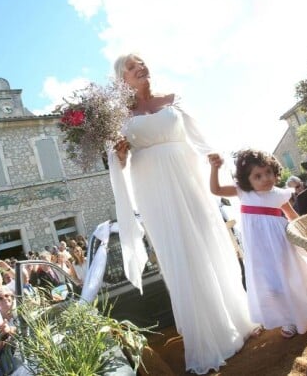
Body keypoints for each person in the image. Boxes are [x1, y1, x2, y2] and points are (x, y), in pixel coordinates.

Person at [110, 53, 257, 374]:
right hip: (152, 189)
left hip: (189, 179)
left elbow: (201, 140)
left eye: (141, 63)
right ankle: (206, 339)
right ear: (123, 79)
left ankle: (238, 319)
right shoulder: (118, 117)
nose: (140, 68)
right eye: (132, 67)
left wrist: (215, 160)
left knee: (208, 241)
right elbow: (119, 164)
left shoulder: (173, 100)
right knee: (179, 255)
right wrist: (119, 156)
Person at [209, 150, 307, 339]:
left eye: (268, 173)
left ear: (275, 172)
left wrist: (306, 234)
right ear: (246, 180)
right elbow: (216, 190)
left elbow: (291, 216)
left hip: (283, 245)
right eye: (258, 176)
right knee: (273, 284)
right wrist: (214, 168)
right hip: (260, 250)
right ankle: (288, 319)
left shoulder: (280, 194)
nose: (265, 178)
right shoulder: (243, 192)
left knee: (295, 278)